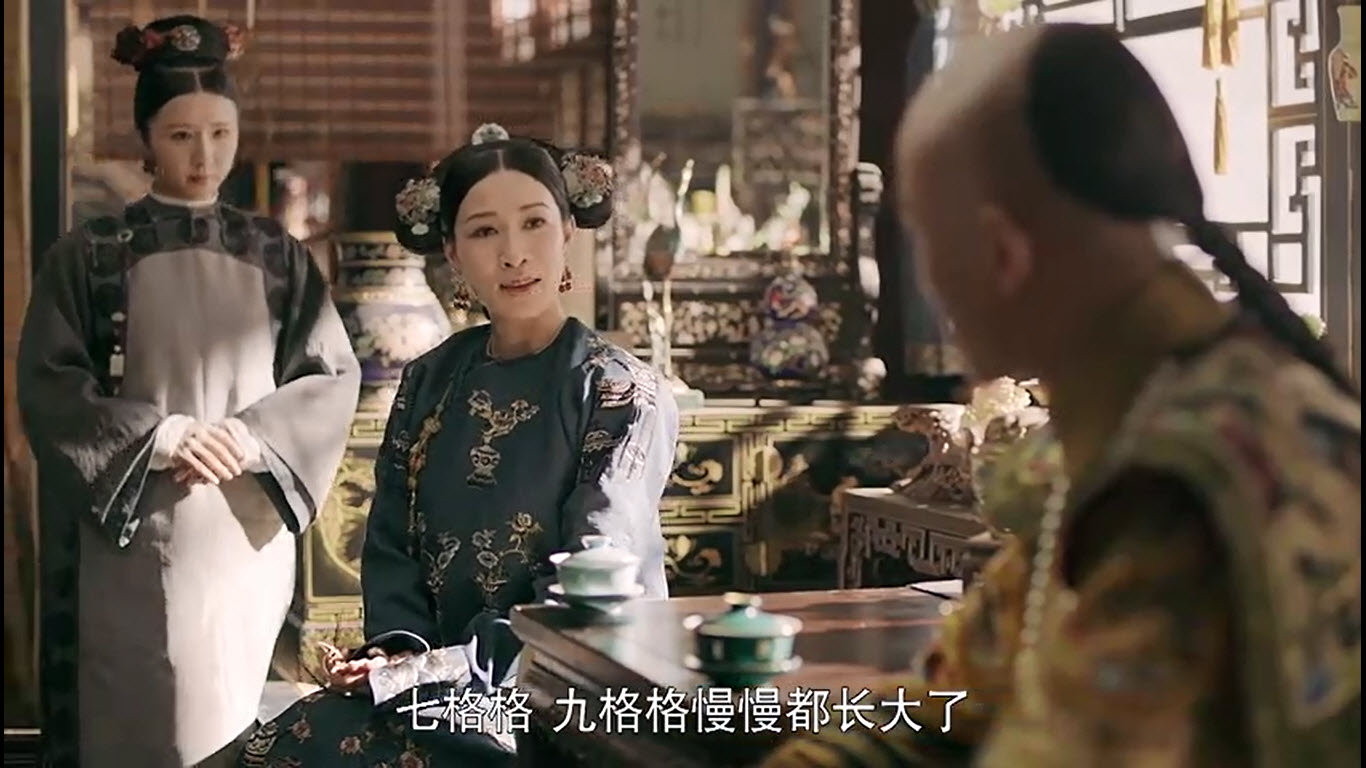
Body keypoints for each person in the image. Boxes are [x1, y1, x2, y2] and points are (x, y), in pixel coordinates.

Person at [763, 23, 1359, 767]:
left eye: (927, 242)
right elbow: (955, 706)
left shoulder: (1177, 489)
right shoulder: (1131, 423)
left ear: (1001, 254)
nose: (930, 286)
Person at [239, 123, 679, 766]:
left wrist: (444, 669)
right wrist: (397, 656)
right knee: (281, 742)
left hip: (563, 683)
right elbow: (391, 544)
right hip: (434, 685)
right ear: (451, 250)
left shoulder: (617, 390)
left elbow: (594, 577)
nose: (514, 254)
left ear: (567, 230)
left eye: (534, 223)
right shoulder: (429, 380)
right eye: (483, 231)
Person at [16, 16, 361, 767]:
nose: (204, 156)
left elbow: (331, 377)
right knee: (133, 720)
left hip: (241, 527)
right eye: (180, 135)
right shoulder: (89, 255)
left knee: (230, 717)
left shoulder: (278, 254)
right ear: (146, 138)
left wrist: (250, 435)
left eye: (219, 133)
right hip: (127, 528)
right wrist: (161, 434)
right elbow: (48, 383)